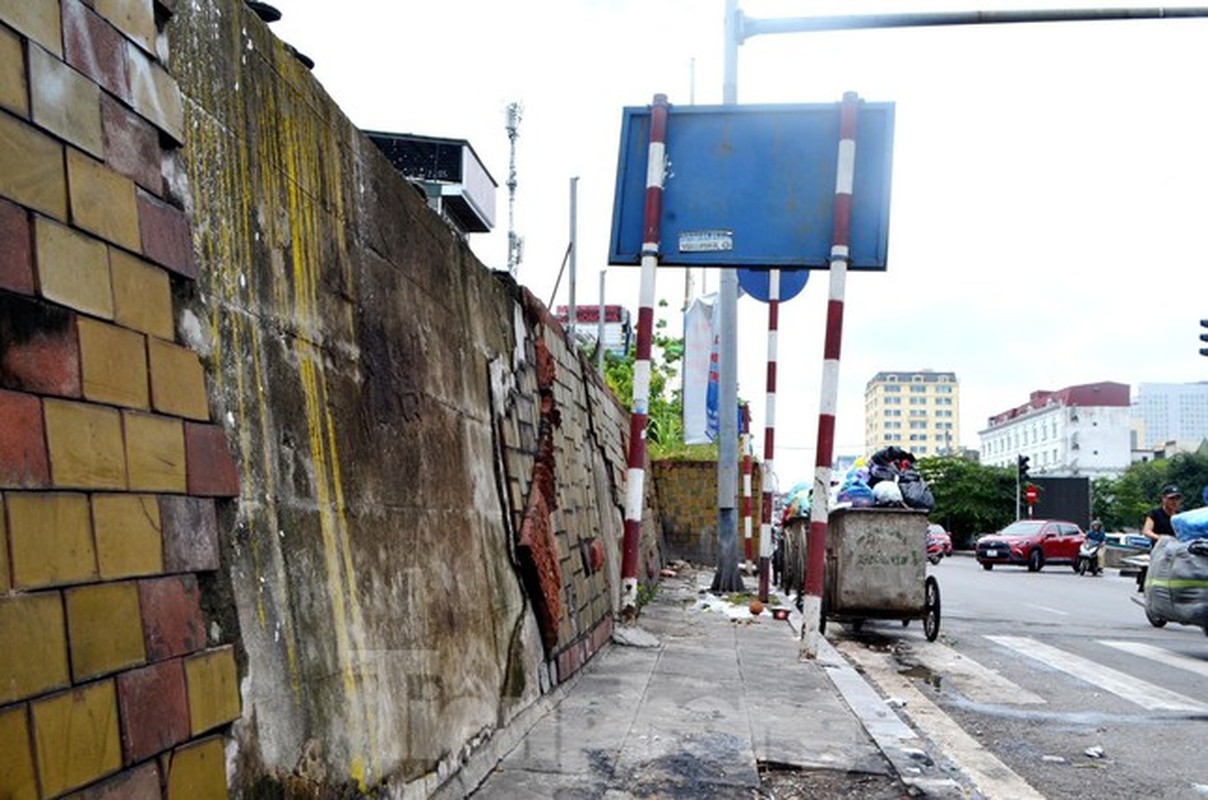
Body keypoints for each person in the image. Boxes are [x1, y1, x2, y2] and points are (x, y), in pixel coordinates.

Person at [1136, 485, 1183, 591]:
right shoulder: (1155, 514)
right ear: (1164, 499)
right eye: (1171, 498)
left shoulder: (1180, 517)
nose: (1174, 502)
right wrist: (1160, 538)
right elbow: (1147, 531)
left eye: (1177, 499)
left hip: (1176, 551)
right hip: (1159, 550)